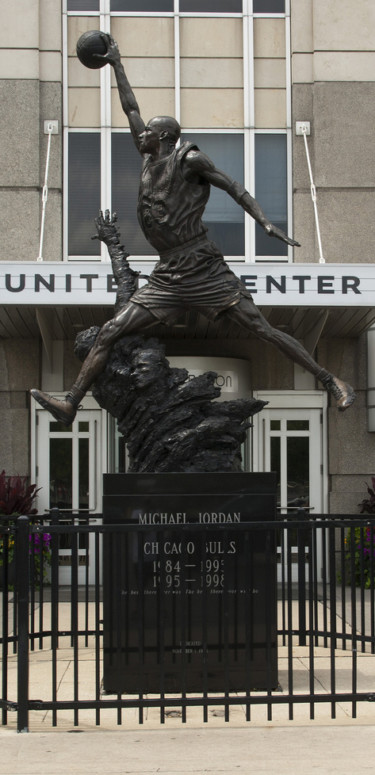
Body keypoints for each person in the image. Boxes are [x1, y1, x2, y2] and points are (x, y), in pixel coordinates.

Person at [31, 34, 355, 425]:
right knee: (111, 331)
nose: (141, 134)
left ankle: (330, 379)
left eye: (149, 132)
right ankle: (70, 403)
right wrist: (116, 65)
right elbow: (130, 107)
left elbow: (233, 186)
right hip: (169, 274)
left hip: (202, 267)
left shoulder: (190, 159)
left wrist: (267, 222)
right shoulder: (148, 158)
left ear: (164, 137)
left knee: (262, 329)